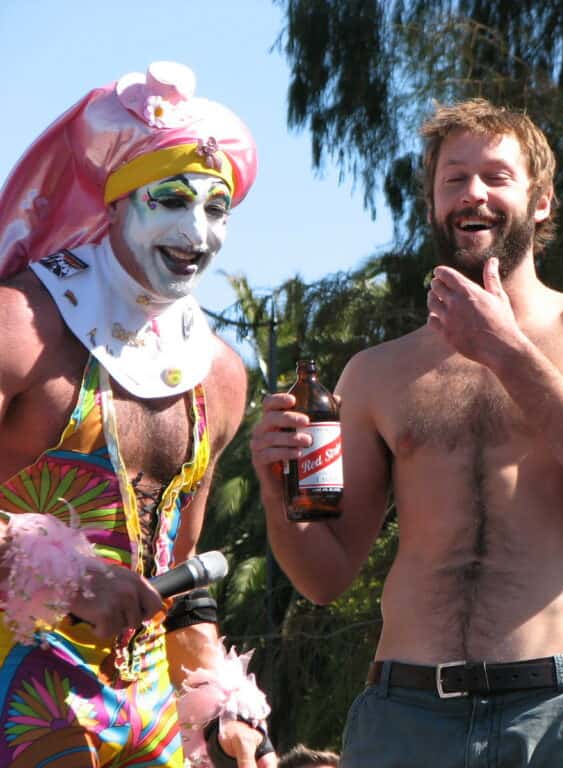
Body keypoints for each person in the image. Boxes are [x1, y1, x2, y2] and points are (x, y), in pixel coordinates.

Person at [251, 98, 563, 766]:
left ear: (542, 201)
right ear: (432, 205)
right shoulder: (376, 373)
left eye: (497, 176)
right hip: (403, 715)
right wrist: (279, 493)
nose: (474, 192)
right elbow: (325, 576)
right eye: (455, 179)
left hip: (556, 713)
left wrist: (506, 352)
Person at [0, 62, 275, 768]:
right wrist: (71, 580)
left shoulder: (218, 373)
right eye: (173, 200)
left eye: (217, 210)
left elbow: (179, 583)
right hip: (18, 682)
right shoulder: (21, 327)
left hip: (149, 708)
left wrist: (225, 712)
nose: (197, 232)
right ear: (119, 203)